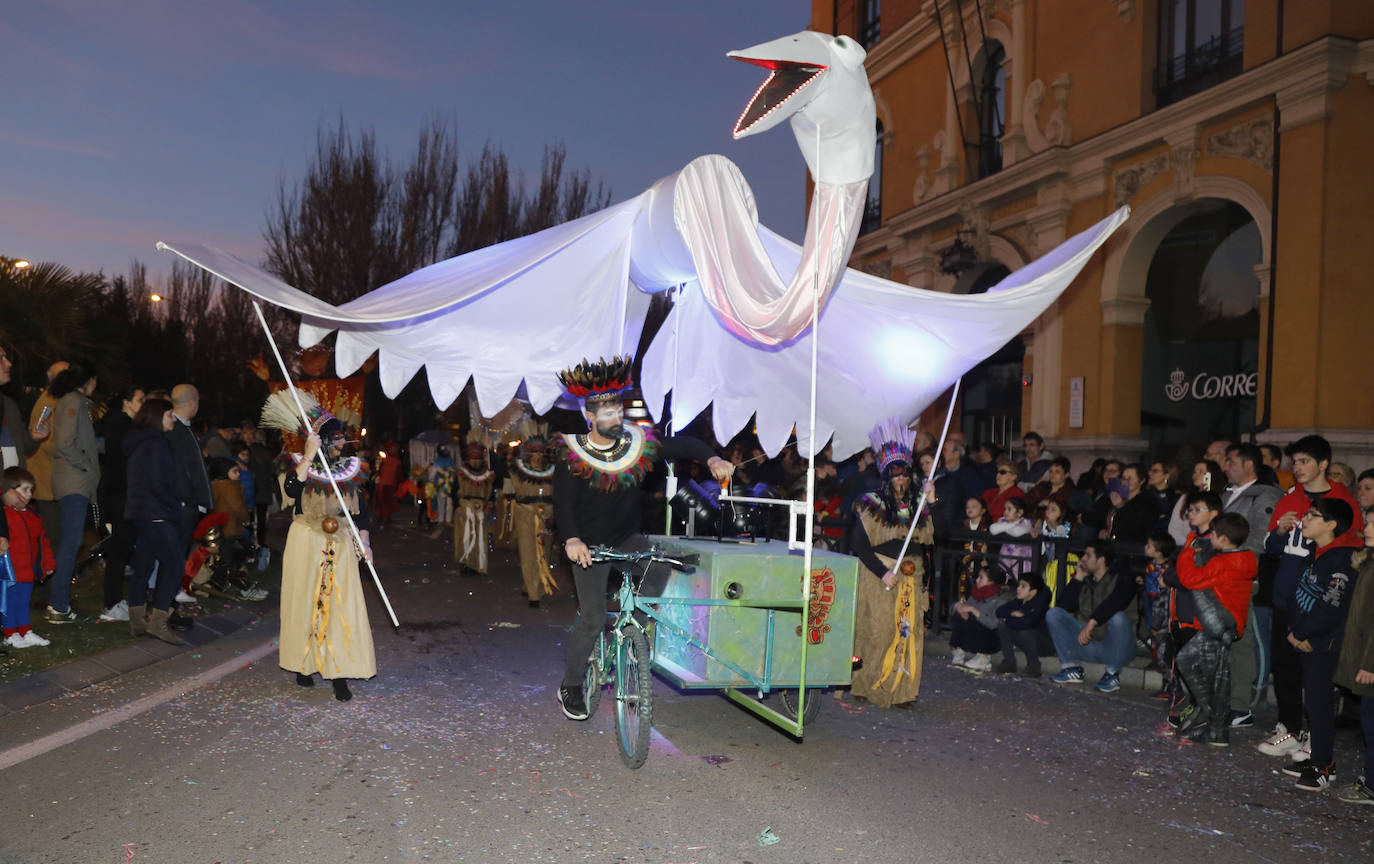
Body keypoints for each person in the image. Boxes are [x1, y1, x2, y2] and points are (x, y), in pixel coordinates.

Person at [553, 356, 731, 721]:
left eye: (619, 410)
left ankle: (634, 630)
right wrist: (572, 539)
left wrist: (712, 458)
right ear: (590, 417)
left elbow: (682, 445)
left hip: (627, 539)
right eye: (607, 413)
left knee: (663, 567)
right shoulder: (572, 453)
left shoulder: (636, 441)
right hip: (589, 547)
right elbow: (563, 504)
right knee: (592, 617)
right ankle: (571, 684)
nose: (616, 418)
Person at [261, 391, 374, 702]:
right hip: (306, 541)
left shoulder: (350, 469)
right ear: (321, 440)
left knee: (341, 606)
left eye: (343, 437)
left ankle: (339, 672)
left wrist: (364, 539)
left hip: (340, 540)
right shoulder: (296, 463)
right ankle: (303, 664)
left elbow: (362, 511)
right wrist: (309, 455)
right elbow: (293, 490)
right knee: (305, 603)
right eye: (336, 438)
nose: (343, 442)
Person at [1258, 435, 1362, 762]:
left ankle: (1315, 739)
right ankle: (1287, 728)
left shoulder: (1343, 502)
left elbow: (1349, 556)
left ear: (1323, 464)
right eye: (1295, 462)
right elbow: (1271, 550)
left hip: (1320, 603)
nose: (1297, 468)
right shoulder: (1289, 499)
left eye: (1304, 461)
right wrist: (1278, 533)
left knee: (1316, 675)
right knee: (1285, 666)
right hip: (1286, 596)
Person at [845, 418, 932, 708]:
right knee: (877, 630)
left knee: (907, 632)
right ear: (886, 476)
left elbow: (933, 537)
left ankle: (902, 691)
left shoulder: (919, 503)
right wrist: (883, 573)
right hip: (878, 573)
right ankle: (864, 684)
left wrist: (933, 498)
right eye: (896, 475)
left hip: (911, 575)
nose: (901, 480)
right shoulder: (870, 503)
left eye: (905, 474)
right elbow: (859, 544)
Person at [1283, 498, 1358, 791]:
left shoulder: (1343, 558)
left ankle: (1324, 764)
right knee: (1311, 701)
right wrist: (1293, 630)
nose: (1305, 519)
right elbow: (1299, 593)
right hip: (1306, 637)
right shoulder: (1316, 551)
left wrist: (1304, 634)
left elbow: (1332, 606)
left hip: (1323, 643)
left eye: (1313, 516)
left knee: (1319, 703)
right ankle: (1316, 754)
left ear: (1331, 524)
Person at [1170, 512, 1257, 746]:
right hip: (1230, 623)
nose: (1211, 538)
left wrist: (1187, 554)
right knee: (1216, 676)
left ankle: (1211, 717)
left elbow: (1190, 579)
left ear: (1224, 539)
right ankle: (1216, 731)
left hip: (1218, 625)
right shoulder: (1247, 558)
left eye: (1214, 535)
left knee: (1189, 662)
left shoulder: (1222, 562)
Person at [1219, 442, 1281, 725]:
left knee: (1241, 641)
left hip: (1242, 578)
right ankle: (1223, 699)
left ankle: (1242, 704)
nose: (1225, 466)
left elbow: (1260, 539)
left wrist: (1232, 562)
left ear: (1248, 464)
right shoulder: (1227, 494)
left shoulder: (1264, 495)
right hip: (1219, 576)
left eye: (1230, 461)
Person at [123, 398, 188, 645]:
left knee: (144, 563)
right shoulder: (156, 444)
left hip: (140, 512)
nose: (172, 419)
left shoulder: (140, 442)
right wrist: (175, 502)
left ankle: (137, 619)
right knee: (174, 564)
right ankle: (159, 622)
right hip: (157, 512)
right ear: (157, 416)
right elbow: (159, 481)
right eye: (170, 414)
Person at [46, 361, 101, 624]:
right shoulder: (74, 401)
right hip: (73, 482)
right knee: (70, 544)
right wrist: (86, 465)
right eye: (95, 381)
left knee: (71, 543)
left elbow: (84, 442)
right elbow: (66, 442)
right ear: (88, 380)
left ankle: (59, 603)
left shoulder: (75, 402)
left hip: (73, 480)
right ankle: (58, 606)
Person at [1046, 540, 1139, 693]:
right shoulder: (1086, 580)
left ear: (1101, 560)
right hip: (1090, 645)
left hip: (1119, 649)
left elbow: (1115, 601)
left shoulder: (1122, 577)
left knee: (1118, 618)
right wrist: (1078, 578)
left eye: (1088, 555)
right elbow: (1063, 608)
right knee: (1053, 613)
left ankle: (1112, 674)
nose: (1082, 558)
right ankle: (1071, 668)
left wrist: (1092, 622)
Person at [1332, 504, 1374, 806]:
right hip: (1362, 654)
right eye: (1368, 522)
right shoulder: (1367, 562)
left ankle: (1371, 785)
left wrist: (1370, 664)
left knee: (1371, 724)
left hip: (1370, 661)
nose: (1367, 529)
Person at [95, 386, 144, 622]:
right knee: (118, 549)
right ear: (126, 402)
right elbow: (120, 462)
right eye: (140, 399)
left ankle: (115, 600)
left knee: (122, 548)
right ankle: (112, 604)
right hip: (118, 495)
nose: (143, 404)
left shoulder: (125, 425)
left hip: (121, 493)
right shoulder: (121, 425)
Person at [2, 467, 55, 647]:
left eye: (31, 490)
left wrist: (47, 562)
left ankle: (25, 631)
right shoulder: (5, 514)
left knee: (23, 602)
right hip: (9, 571)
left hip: (27, 570)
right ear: (9, 490)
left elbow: (42, 541)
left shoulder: (33, 514)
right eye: (24, 489)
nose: (29, 494)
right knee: (9, 602)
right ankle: (10, 633)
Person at [510, 420, 558, 607]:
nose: (537, 456)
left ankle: (532, 585)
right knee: (528, 552)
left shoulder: (552, 472)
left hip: (545, 518)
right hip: (525, 517)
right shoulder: (518, 471)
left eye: (540, 452)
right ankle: (533, 594)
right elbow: (517, 489)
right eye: (534, 452)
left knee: (544, 553)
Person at [168, 384, 214, 551]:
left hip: (187, 504)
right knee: (175, 557)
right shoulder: (173, 429)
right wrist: (189, 501)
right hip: (182, 505)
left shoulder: (184, 428)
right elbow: (181, 469)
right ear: (193, 402)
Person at [948, 562, 1008, 672]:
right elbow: (961, 608)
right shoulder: (977, 593)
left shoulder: (999, 599)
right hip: (974, 632)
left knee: (974, 619)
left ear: (991, 582)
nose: (977, 580)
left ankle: (983, 657)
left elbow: (993, 623)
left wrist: (973, 610)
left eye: (981, 578)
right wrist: (958, 607)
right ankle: (959, 651)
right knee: (959, 616)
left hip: (991, 636)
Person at [453, 430, 494, 575]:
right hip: (465, 508)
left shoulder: (488, 474)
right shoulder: (461, 473)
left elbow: (491, 490)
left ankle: (477, 564)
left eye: (478, 458)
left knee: (480, 537)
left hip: (481, 509)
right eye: (472, 457)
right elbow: (454, 491)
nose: (475, 460)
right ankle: (465, 562)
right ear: (468, 458)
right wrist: (456, 506)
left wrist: (490, 502)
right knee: (466, 536)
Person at [995, 571, 1052, 676]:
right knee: (1002, 625)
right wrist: (1012, 613)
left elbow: (1027, 623)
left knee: (1024, 630)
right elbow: (999, 611)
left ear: (1033, 591)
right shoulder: (1019, 601)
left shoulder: (1039, 605)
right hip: (1027, 641)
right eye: (1019, 585)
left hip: (1043, 645)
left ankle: (1034, 666)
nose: (1018, 589)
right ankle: (1009, 663)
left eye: (1023, 586)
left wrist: (1009, 620)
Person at [989, 496, 1032, 578]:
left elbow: (1016, 532)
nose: (1005, 512)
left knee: (1018, 577)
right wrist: (1011, 525)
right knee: (1004, 574)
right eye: (1005, 509)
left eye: (1009, 509)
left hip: (1021, 556)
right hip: (1006, 553)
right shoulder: (1004, 521)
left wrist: (1005, 527)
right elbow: (993, 529)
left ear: (1019, 513)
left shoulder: (1026, 522)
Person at [980, 457, 1026, 522]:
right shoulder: (989, 492)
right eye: (997, 472)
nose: (998, 475)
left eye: (1002, 472)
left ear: (1013, 476)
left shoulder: (1017, 493)